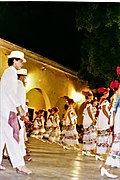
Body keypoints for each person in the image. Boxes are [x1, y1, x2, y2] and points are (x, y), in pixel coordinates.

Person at [0, 50, 32, 174]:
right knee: (14, 137)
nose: (22, 64)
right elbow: (10, 92)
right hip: (9, 110)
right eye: (20, 61)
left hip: (3, 110)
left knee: (1, 137)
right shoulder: (11, 73)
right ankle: (19, 164)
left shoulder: (7, 73)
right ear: (14, 60)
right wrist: (19, 107)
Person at [17, 68, 32, 161]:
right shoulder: (19, 85)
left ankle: (8, 153)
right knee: (18, 135)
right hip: (18, 114)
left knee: (18, 135)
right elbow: (17, 101)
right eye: (25, 77)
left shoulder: (19, 85)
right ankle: (22, 155)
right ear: (22, 76)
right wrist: (22, 114)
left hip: (19, 114)